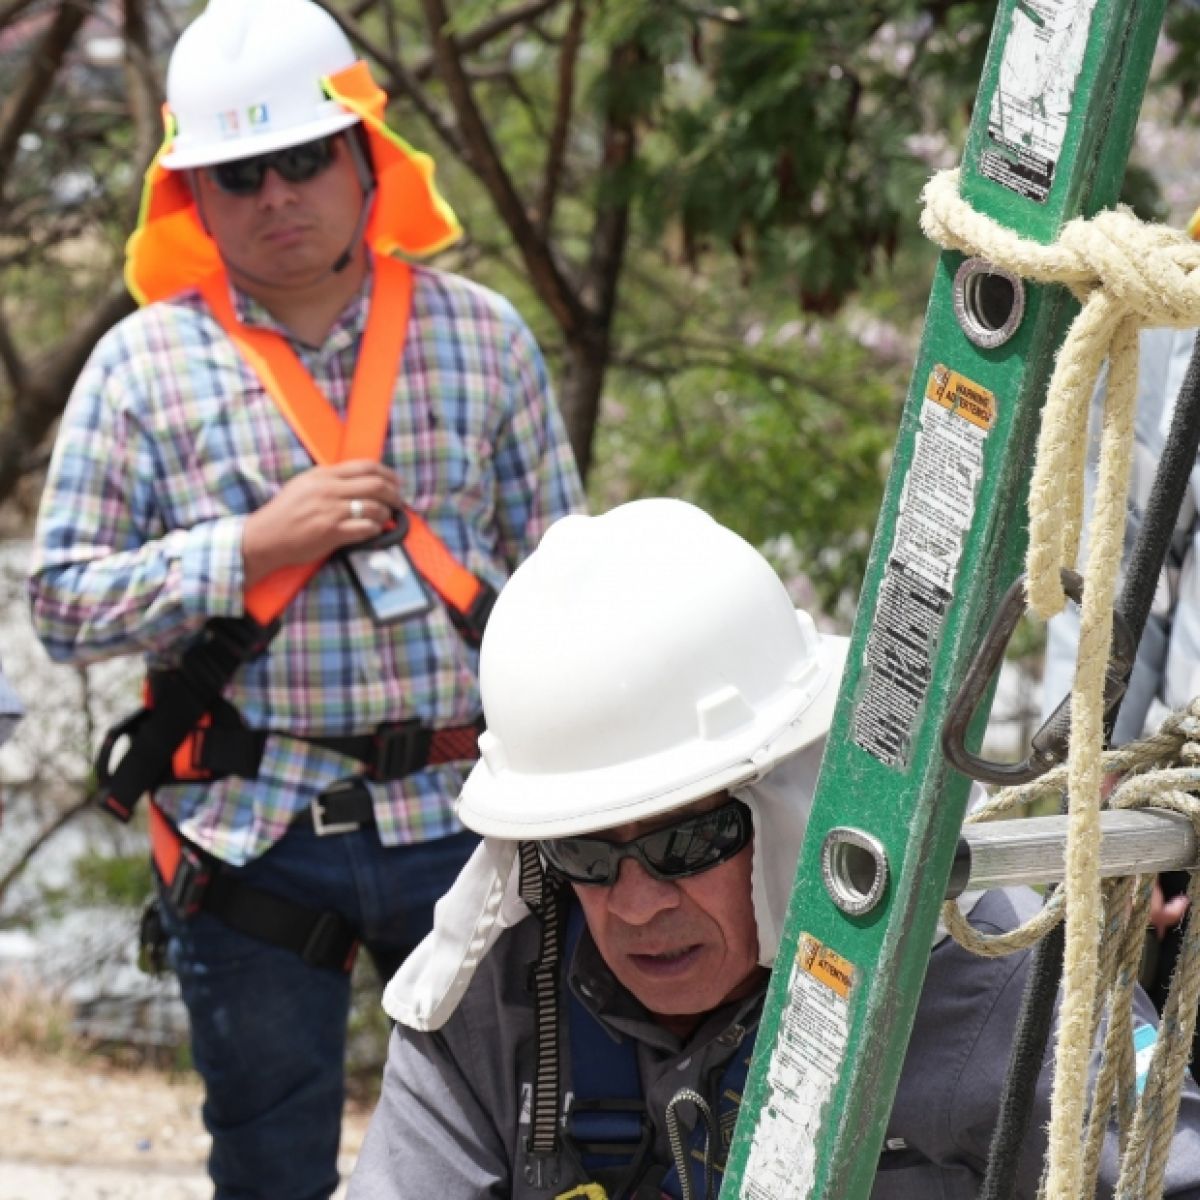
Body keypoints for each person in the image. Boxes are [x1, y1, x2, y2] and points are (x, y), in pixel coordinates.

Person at [27, 0, 583, 1195]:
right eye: (237, 175)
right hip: (254, 840)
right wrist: (245, 547)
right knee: (270, 1161)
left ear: (363, 156)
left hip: (469, 815)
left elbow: (562, 586)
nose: (277, 196)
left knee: (531, 1145)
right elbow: (62, 604)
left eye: (303, 158)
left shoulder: (482, 339)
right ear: (192, 198)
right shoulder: (142, 365)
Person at [349, 498, 1200, 1200]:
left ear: (788, 804)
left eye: (687, 841)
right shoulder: (494, 1011)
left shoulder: (1000, 986)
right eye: (586, 856)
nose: (636, 904)